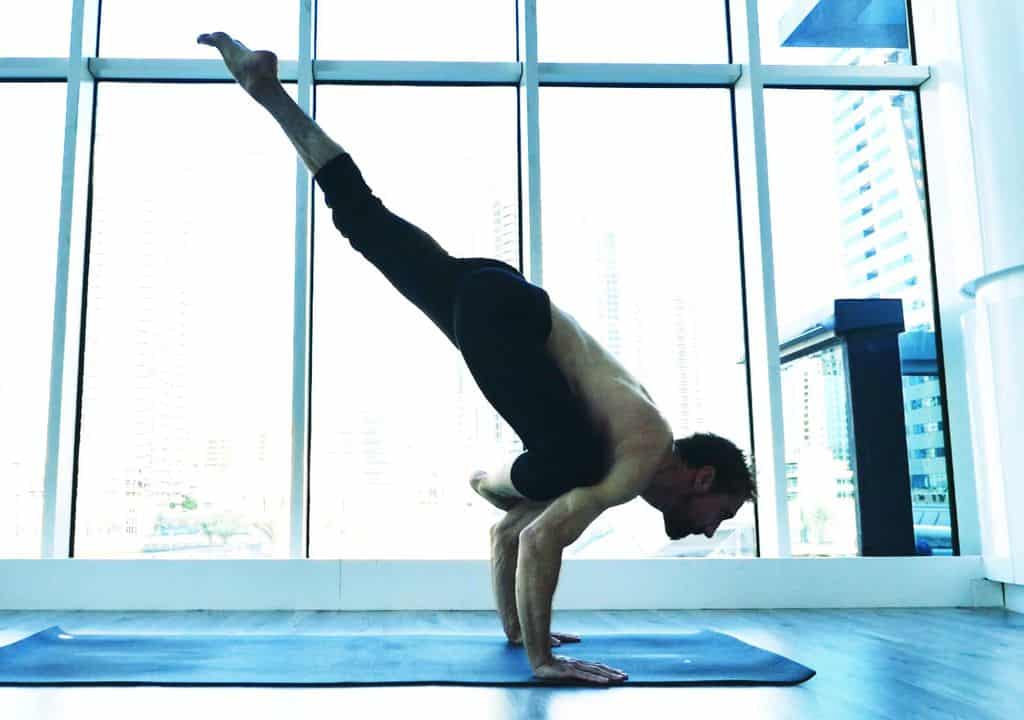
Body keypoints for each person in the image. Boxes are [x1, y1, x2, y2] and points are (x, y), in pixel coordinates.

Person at [198, 32, 757, 685]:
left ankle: (265, 90)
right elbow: (542, 540)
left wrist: (521, 630)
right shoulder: (640, 454)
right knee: (566, 473)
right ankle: (488, 480)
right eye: (724, 514)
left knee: (364, 220)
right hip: (509, 318)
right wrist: (545, 661)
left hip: (493, 296)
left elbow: (511, 535)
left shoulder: (617, 444)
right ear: (702, 479)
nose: (713, 531)